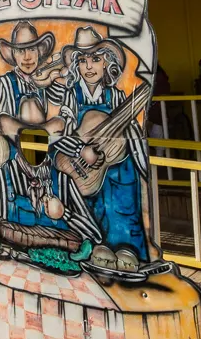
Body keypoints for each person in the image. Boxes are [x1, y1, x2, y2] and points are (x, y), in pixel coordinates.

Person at [49, 26, 147, 262]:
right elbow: (57, 134)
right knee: (80, 199)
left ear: (107, 63)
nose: (89, 66)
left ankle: (126, 246)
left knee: (123, 178)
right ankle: (92, 244)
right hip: (76, 165)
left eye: (95, 59)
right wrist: (80, 149)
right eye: (82, 60)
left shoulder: (116, 97)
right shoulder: (71, 96)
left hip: (111, 168)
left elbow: (130, 131)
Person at [0, 20, 64, 138]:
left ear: (38, 52)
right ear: (14, 54)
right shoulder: (6, 81)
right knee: (5, 120)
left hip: (43, 143)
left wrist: (52, 80)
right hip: (17, 142)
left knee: (59, 122)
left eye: (32, 49)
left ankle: (36, 136)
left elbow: (59, 109)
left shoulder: (46, 79)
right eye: (21, 51)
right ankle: (35, 135)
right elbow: (2, 121)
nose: (27, 57)